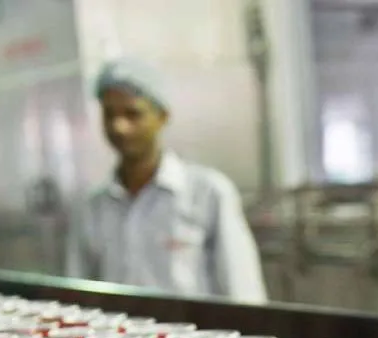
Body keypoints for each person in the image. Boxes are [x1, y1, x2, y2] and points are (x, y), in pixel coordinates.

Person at [66, 57, 268, 302]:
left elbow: (243, 292)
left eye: (133, 114)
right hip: (116, 328)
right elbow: (78, 296)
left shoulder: (207, 193)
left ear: (162, 116)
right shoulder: (93, 207)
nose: (119, 127)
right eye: (109, 114)